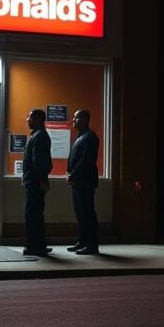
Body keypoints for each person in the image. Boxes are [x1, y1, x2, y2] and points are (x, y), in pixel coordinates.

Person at [66, 109, 100, 254]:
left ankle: (92, 245)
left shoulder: (90, 137)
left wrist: (72, 174)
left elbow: (86, 160)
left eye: (76, 118)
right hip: (78, 182)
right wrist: (70, 173)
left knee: (87, 213)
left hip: (85, 181)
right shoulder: (80, 136)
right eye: (73, 118)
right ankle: (82, 241)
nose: (73, 120)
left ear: (85, 119)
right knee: (80, 213)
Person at [22, 108, 53, 256]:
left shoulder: (39, 136)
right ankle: (37, 244)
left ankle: (34, 245)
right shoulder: (38, 135)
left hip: (34, 181)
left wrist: (42, 179)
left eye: (30, 117)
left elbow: (38, 161)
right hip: (34, 181)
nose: (27, 119)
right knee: (35, 213)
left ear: (39, 119)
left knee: (33, 214)